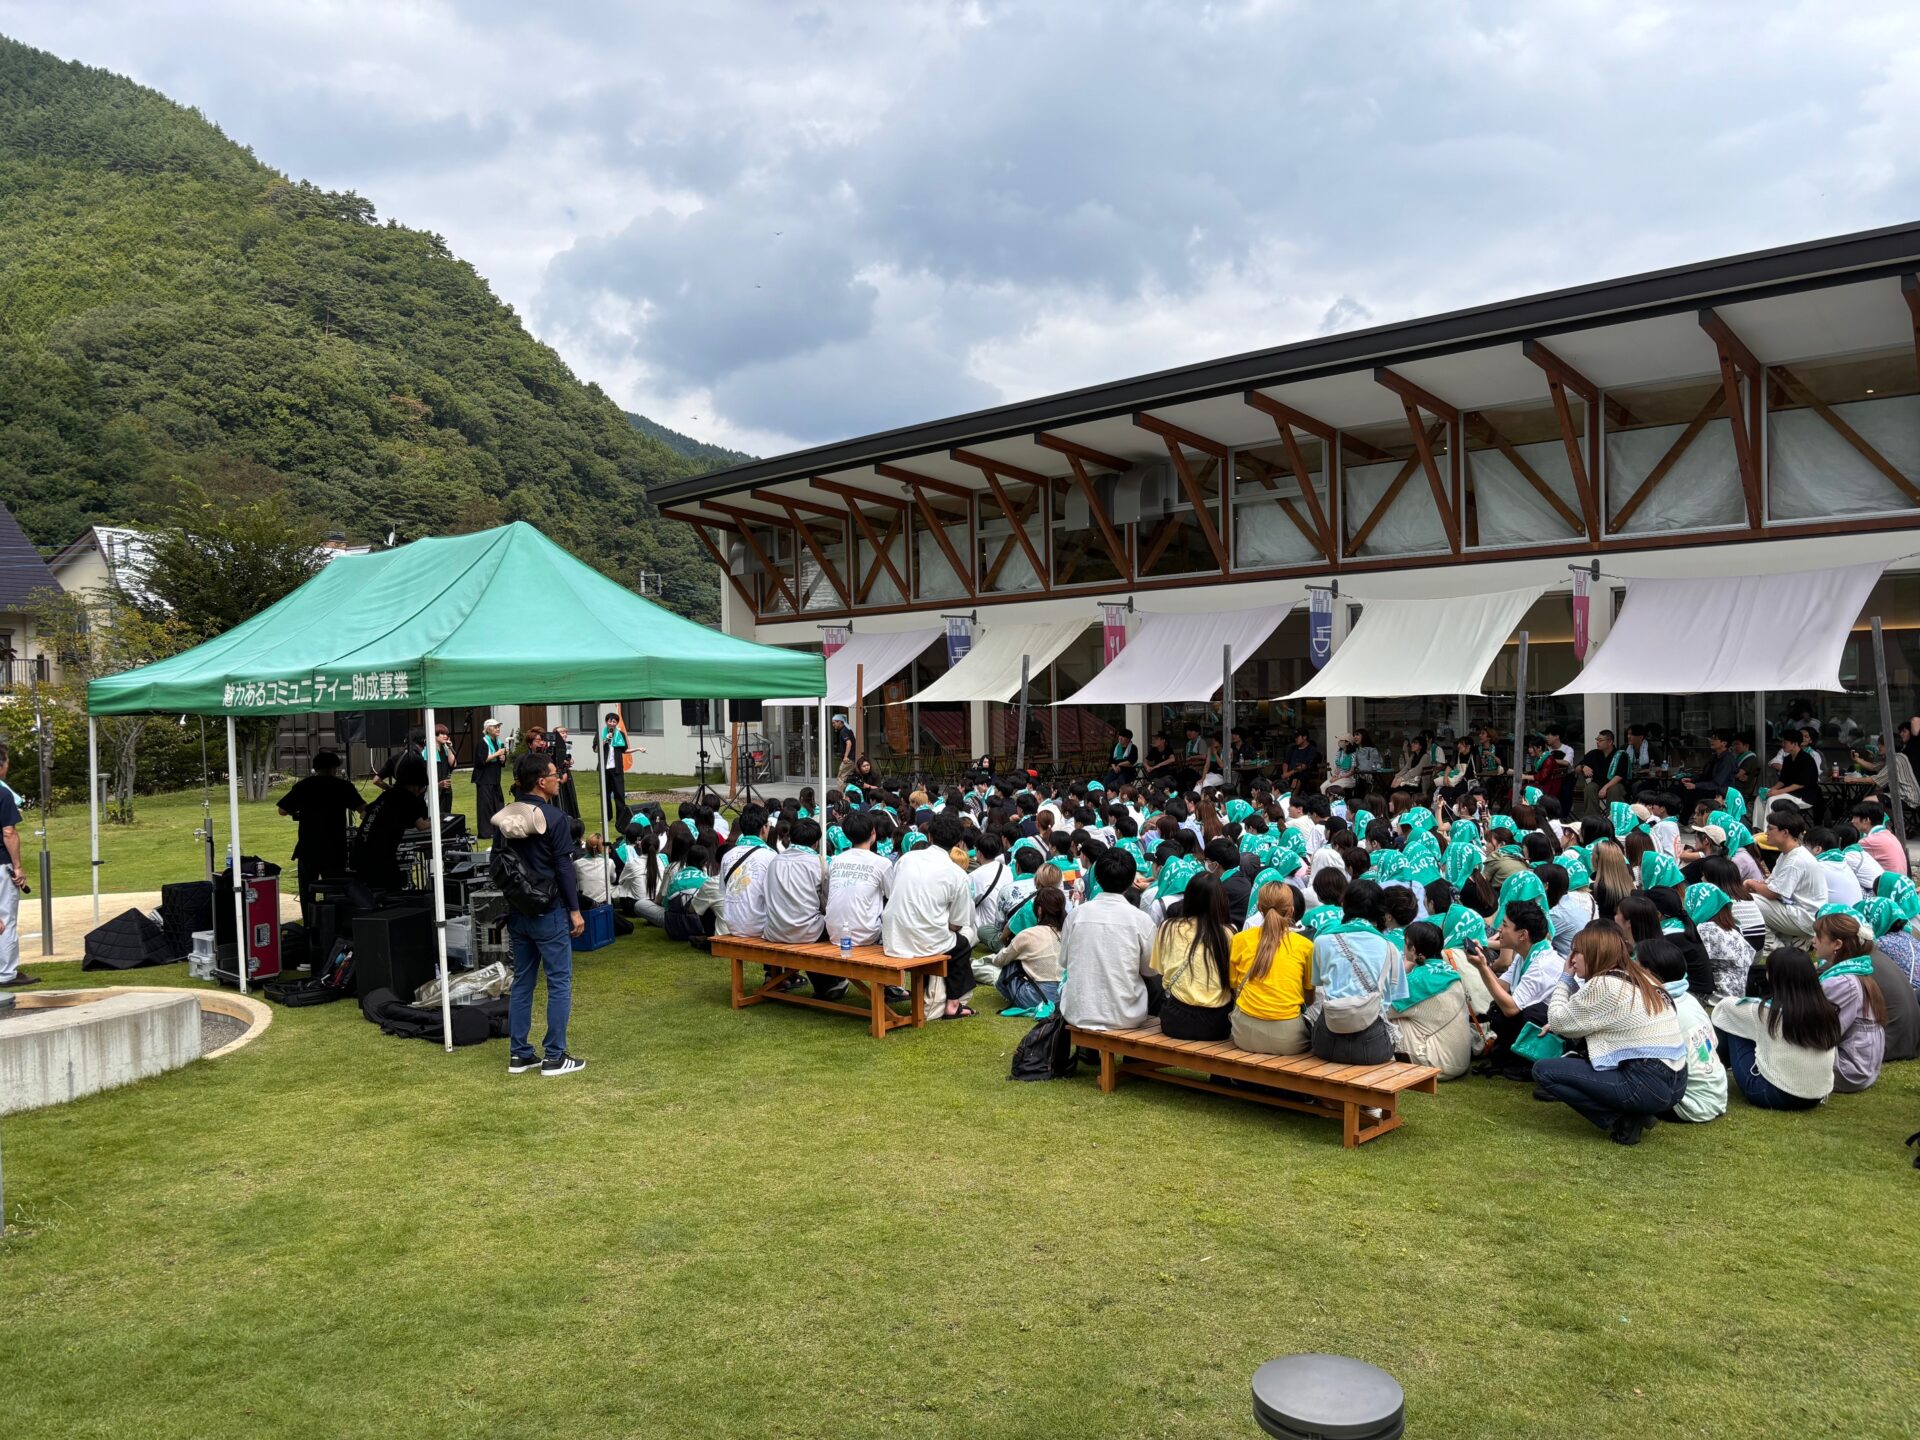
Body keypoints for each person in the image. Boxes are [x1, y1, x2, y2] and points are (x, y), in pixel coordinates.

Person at [1531, 923, 1689, 1144]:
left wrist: (1565, 979)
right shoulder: (1643, 977)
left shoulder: (1604, 983)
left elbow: (1557, 1021)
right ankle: (1636, 1112)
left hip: (1645, 1081)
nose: (1571, 959)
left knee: (1544, 1071)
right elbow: (1585, 1011)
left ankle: (1622, 1119)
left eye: (1577, 952)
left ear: (1595, 953)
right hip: (1677, 1082)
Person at [498, 751, 586, 1076]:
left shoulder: (506, 816)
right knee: (559, 980)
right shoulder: (556, 818)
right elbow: (563, 867)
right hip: (549, 909)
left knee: (523, 981)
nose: (558, 778)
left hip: (518, 909)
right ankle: (554, 1055)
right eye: (553, 774)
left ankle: (520, 1053)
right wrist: (575, 910)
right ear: (540, 781)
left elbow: (499, 864)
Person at [1711, 950, 1840, 1110]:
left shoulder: (1767, 1012)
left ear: (1775, 976)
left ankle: (1711, 1073)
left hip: (1772, 1094)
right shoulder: (1827, 1011)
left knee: (1732, 1020)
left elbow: (1723, 1008)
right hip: (1815, 1096)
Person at [882, 812, 977, 1019]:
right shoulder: (957, 874)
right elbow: (956, 924)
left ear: (930, 836)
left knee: (952, 939)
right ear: (958, 843)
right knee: (963, 941)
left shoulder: (906, 859)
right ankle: (953, 1004)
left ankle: (942, 998)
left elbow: (894, 894)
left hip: (892, 937)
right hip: (924, 942)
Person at [1308, 879, 1408, 1065]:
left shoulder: (1322, 941)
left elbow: (1316, 985)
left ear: (1344, 904)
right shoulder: (1391, 948)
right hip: (1373, 1047)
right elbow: (1396, 997)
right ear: (1381, 911)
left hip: (1326, 1043)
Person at [1058, 851, 1157, 1032]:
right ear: (1131, 880)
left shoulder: (1076, 915)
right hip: (1125, 1015)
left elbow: (1064, 961)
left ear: (1096, 877)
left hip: (1078, 1012)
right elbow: (1150, 970)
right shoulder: (1141, 920)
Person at [1466, 899, 1564, 1079]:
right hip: (1549, 1022)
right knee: (1499, 1009)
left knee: (1526, 1013)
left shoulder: (1542, 964)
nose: (1499, 930)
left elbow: (1511, 1009)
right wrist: (1483, 961)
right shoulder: (1524, 955)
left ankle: (1531, 1063)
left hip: (1561, 1032)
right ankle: (1515, 1059)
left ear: (1523, 935)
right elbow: (1501, 987)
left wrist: (1482, 967)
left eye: (1505, 925)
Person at [1635, 937, 1728, 1124]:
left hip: (1689, 1104)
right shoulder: (1688, 998)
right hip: (1715, 1094)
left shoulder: (1661, 1008)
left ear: (1648, 972)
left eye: (1635, 963)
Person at [276, 750, 364, 931]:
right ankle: (334, 927)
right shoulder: (343, 786)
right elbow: (362, 808)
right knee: (334, 889)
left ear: (315, 768)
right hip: (334, 847)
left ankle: (309, 927)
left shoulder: (304, 786)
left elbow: (282, 810)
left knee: (307, 890)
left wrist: (298, 813)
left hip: (308, 846)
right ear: (333, 768)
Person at [1228, 881, 1316, 1056]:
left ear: (1259, 908)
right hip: (1288, 1039)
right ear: (1291, 911)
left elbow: (1234, 987)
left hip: (1244, 1034)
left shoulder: (1239, 940)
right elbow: (1309, 998)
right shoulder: (1305, 946)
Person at [1147, 872, 1236, 1040]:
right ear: (1220, 900)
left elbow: (1159, 970)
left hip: (1175, 1020)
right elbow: (1233, 982)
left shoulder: (1168, 927)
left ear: (1188, 898)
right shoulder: (1228, 933)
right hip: (1217, 1024)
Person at [761, 818, 842, 1000]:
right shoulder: (819, 863)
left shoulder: (775, 861)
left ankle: (826, 983)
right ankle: (832, 981)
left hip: (774, 930)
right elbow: (828, 901)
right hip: (807, 931)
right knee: (838, 927)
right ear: (816, 842)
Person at [1387, 919, 1475, 1079]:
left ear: (1413, 949)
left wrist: (1403, 971)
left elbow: (1383, 1009)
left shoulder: (1418, 980)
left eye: (1405, 943)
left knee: (1388, 1019)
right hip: (1460, 1061)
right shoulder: (1448, 970)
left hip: (1439, 1064)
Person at [1810, 911, 1887, 1093]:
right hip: (1859, 1066)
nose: (1813, 941)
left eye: (1818, 936)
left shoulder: (1843, 982)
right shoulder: (1855, 972)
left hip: (1849, 1070)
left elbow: (1818, 1033)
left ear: (1837, 944)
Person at [350, 753, 432, 895]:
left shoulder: (387, 794)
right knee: (392, 889)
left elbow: (364, 814)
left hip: (360, 851)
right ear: (416, 786)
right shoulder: (408, 798)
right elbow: (421, 825)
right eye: (422, 788)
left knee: (371, 892)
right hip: (380, 855)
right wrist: (437, 821)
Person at [1747, 809, 1826, 948]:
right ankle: (1791, 942)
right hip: (1799, 912)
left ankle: (1773, 946)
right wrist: (1756, 885)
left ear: (1785, 832)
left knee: (1745, 901)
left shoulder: (1795, 860)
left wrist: (1750, 883)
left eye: (1770, 828)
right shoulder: (1788, 853)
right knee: (1752, 896)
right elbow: (1770, 884)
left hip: (1805, 918)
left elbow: (1773, 893)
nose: (1766, 833)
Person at [988, 886, 1066, 1012]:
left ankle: (1008, 993)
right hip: (1064, 995)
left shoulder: (1028, 934)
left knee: (1011, 959)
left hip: (1037, 996)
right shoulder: (1068, 932)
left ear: (1039, 909)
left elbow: (1000, 960)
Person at [718, 806, 776, 938]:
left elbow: (723, 891)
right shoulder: (771, 855)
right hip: (760, 925)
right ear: (764, 828)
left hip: (732, 924)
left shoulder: (728, 855)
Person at [0, 743, 29, 988]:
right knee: (5, 918)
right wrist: (17, 866)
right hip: (1, 864)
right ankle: (6, 973)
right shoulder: (3, 794)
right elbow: (8, 832)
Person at [597, 710, 640, 828]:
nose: (612, 723)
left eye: (614, 721)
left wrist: (638, 749)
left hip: (617, 769)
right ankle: (607, 817)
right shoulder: (600, 733)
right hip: (604, 769)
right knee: (605, 794)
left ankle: (621, 818)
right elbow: (596, 749)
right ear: (606, 722)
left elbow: (625, 750)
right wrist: (606, 739)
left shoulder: (620, 734)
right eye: (610, 721)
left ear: (616, 723)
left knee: (619, 794)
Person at [1579, 729, 1632, 814]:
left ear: (1610, 742)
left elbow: (1619, 775)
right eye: (1597, 740)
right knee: (1589, 788)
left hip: (1615, 784)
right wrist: (1583, 767)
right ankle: (1592, 819)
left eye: (1600, 740)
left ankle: (1612, 819)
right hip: (1597, 783)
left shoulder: (1620, 755)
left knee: (1614, 790)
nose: (1597, 742)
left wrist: (1605, 787)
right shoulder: (1593, 753)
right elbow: (1577, 768)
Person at [472, 719, 508, 841]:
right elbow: (480, 761)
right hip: (484, 778)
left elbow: (501, 761)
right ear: (487, 729)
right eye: (495, 726)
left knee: (498, 804)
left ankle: (497, 830)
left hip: (495, 778)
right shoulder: (482, 742)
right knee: (485, 806)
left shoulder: (498, 742)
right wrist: (497, 754)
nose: (498, 728)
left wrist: (503, 759)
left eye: (498, 726)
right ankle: (485, 832)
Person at [549, 725, 581, 819]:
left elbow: (568, 758)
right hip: (558, 772)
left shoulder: (567, 746)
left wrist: (570, 761)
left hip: (566, 771)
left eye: (565, 733)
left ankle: (569, 813)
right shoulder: (553, 747)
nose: (564, 734)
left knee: (568, 793)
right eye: (562, 733)